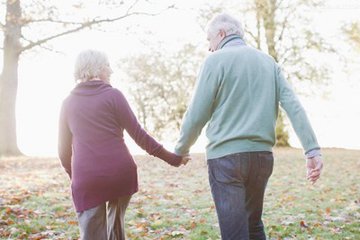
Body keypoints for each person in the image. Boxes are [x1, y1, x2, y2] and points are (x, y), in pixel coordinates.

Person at [174, 13, 323, 240]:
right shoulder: (268, 62)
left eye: (209, 40)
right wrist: (311, 149)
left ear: (221, 34)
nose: (209, 47)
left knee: (235, 233)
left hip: (226, 159)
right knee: (253, 226)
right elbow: (293, 105)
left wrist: (181, 149)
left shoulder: (214, 61)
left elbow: (197, 113)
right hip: (261, 158)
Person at [58, 49, 190, 240]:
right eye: (108, 66)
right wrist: (173, 159)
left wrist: (75, 176)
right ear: (99, 69)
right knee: (116, 230)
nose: (111, 71)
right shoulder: (114, 96)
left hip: (88, 179)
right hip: (120, 175)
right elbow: (140, 136)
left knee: (93, 235)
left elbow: (63, 152)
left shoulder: (68, 103)